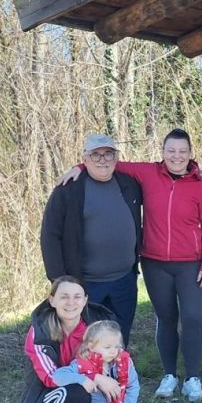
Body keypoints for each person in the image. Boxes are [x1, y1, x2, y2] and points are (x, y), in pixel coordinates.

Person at [59, 129, 202, 402]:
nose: (176, 156)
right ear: (163, 152)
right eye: (171, 151)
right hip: (155, 263)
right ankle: (169, 375)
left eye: (182, 151)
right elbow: (107, 162)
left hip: (191, 264)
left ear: (190, 154)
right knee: (165, 318)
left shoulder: (200, 186)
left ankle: (193, 378)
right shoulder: (147, 173)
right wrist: (77, 166)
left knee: (191, 319)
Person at [40, 133, 143, 340]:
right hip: (85, 283)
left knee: (119, 337)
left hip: (124, 280)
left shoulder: (129, 185)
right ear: (84, 159)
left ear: (116, 158)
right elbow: (50, 235)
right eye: (95, 155)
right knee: (86, 340)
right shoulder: (68, 189)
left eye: (108, 154)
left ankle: (116, 372)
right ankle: (88, 373)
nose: (102, 160)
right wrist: (60, 281)